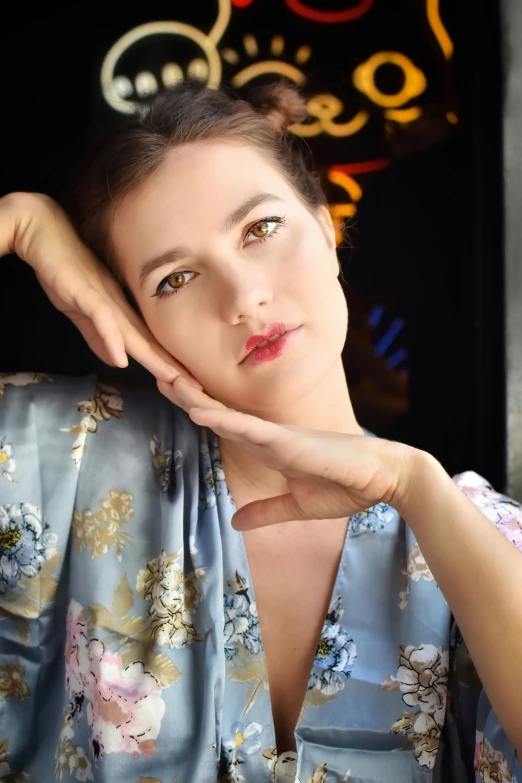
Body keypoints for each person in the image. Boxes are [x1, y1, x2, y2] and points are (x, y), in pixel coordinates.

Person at [0, 80, 520, 783]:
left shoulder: (476, 532)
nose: (244, 297)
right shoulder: (63, 457)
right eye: (176, 278)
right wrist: (20, 223)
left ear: (328, 226)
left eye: (261, 229)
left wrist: (412, 485)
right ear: (131, 320)